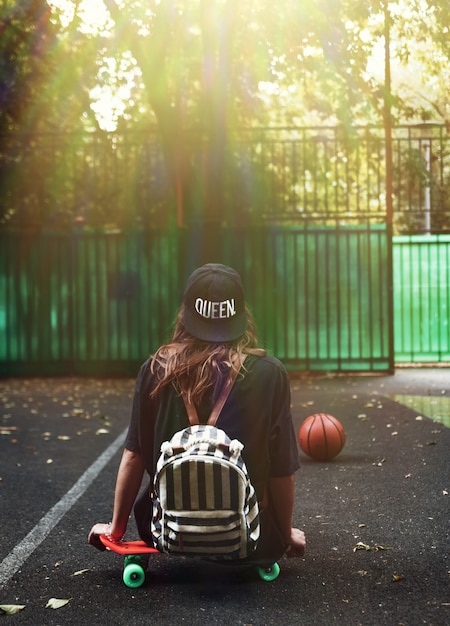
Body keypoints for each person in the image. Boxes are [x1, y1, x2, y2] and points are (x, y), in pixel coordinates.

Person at [88, 263, 306, 562]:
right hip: (250, 534)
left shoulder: (156, 369)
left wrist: (115, 531)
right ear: (242, 315)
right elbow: (282, 468)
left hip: (164, 532)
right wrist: (285, 531)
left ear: (186, 314)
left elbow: (134, 456)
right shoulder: (269, 373)